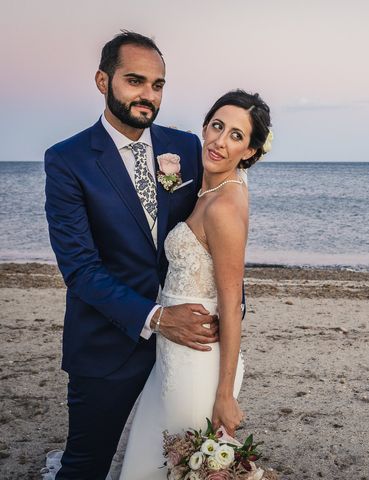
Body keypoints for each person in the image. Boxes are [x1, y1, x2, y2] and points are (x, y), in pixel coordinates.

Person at [43, 31, 224, 479]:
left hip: (187, 350)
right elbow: (80, 269)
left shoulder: (185, 148)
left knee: (183, 460)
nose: (148, 95)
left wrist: (229, 305)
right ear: (103, 81)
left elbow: (217, 229)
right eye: (135, 80)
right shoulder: (68, 161)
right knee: (86, 465)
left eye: (158, 84)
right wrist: (158, 318)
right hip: (107, 343)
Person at [118, 90, 272, 479]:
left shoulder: (223, 207)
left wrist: (224, 394)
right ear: (204, 128)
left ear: (249, 152)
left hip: (196, 360)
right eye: (217, 126)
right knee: (152, 456)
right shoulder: (209, 190)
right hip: (172, 350)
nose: (220, 141)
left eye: (236, 136)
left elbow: (232, 303)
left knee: (177, 463)